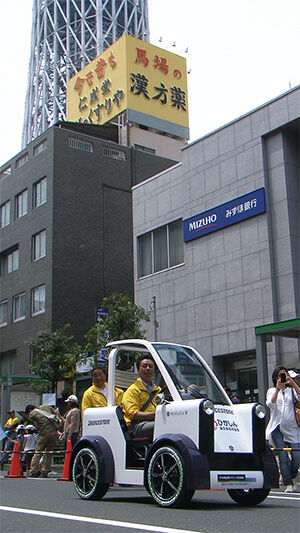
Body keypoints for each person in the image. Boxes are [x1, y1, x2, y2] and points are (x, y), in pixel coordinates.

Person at [266, 365, 300, 493]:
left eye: (285, 374)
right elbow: (270, 404)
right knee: (283, 455)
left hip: (291, 427)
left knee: (297, 456)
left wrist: (293, 384)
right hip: (277, 427)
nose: (283, 377)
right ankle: (288, 483)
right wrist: (278, 389)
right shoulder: (271, 390)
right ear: (275, 378)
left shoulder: (292, 391)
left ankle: (290, 476)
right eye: (280, 375)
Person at [122, 353, 161, 440]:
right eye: (144, 366)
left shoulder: (158, 390)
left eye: (150, 366)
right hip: (137, 426)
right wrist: (155, 415)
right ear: (138, 369)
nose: (148, 368)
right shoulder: (132, 390)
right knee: (162, 425)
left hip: (154, 421)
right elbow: (133, 414)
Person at [28, 404, 61, 478]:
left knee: (38, 451)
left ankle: (34, 470)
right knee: (49, 452)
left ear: (30, 410)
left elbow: (36, 424)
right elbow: (56, 412)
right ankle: (45, 470)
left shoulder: (33, 413)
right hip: (53, 433)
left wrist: (39, 427)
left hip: (43, 433)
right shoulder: (46, 406)